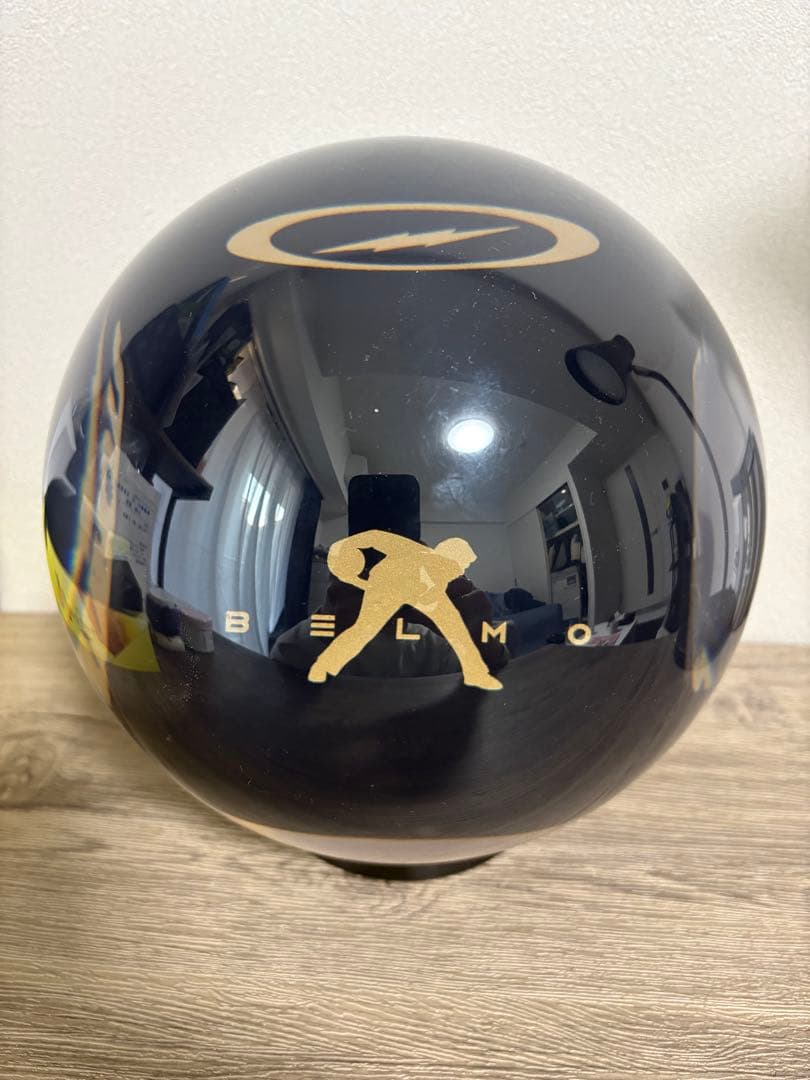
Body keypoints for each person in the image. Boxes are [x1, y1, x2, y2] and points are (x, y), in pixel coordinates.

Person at [271, 530, 506, 690]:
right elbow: (282, 668)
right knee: (361, 631)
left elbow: (494, 684)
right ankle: (325, 665)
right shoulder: (303, 641)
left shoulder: (433, 644)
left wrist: (482, 642)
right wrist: (327, 626)